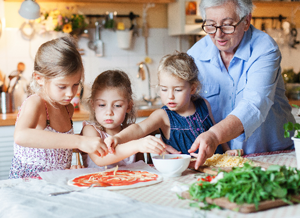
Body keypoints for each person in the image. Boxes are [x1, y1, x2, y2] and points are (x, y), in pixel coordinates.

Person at [187, 0, 296, 169]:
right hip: (222, 161)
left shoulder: (264, 48)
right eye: (210, 25)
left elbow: (254, 105)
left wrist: (214, 136)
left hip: (272, 157)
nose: (218, 34)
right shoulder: (195, 55)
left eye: (228, 25)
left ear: (246, 21)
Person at [105, 52, 240, 157]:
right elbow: (139, 129)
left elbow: (215, 131)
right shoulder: (163, 115)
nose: (170, 96)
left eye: (178, 90)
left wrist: (227, 150)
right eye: (164, 89)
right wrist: (118, 138)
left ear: (192, 88)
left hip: (214, 167)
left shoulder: (203, 105)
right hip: (185, 173)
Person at [9, 36, 108, 179]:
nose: (70, 93)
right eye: (62, 86)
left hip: (55, 181)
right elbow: (21, 135)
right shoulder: (36, 103)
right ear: (39, 78)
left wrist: (80, 149)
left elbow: (57, 144)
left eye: (75, 84)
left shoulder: (68, 108)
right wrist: (79, 141)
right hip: (28, 184)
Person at [81, 70, 165, 169]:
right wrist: (137, 145)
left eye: (117, 105)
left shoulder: (132, 133)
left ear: (129, 106)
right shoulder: (90, 130)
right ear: (93, 105)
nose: (109, 112)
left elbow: (140, 167)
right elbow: (100, 159)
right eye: (102, 105)